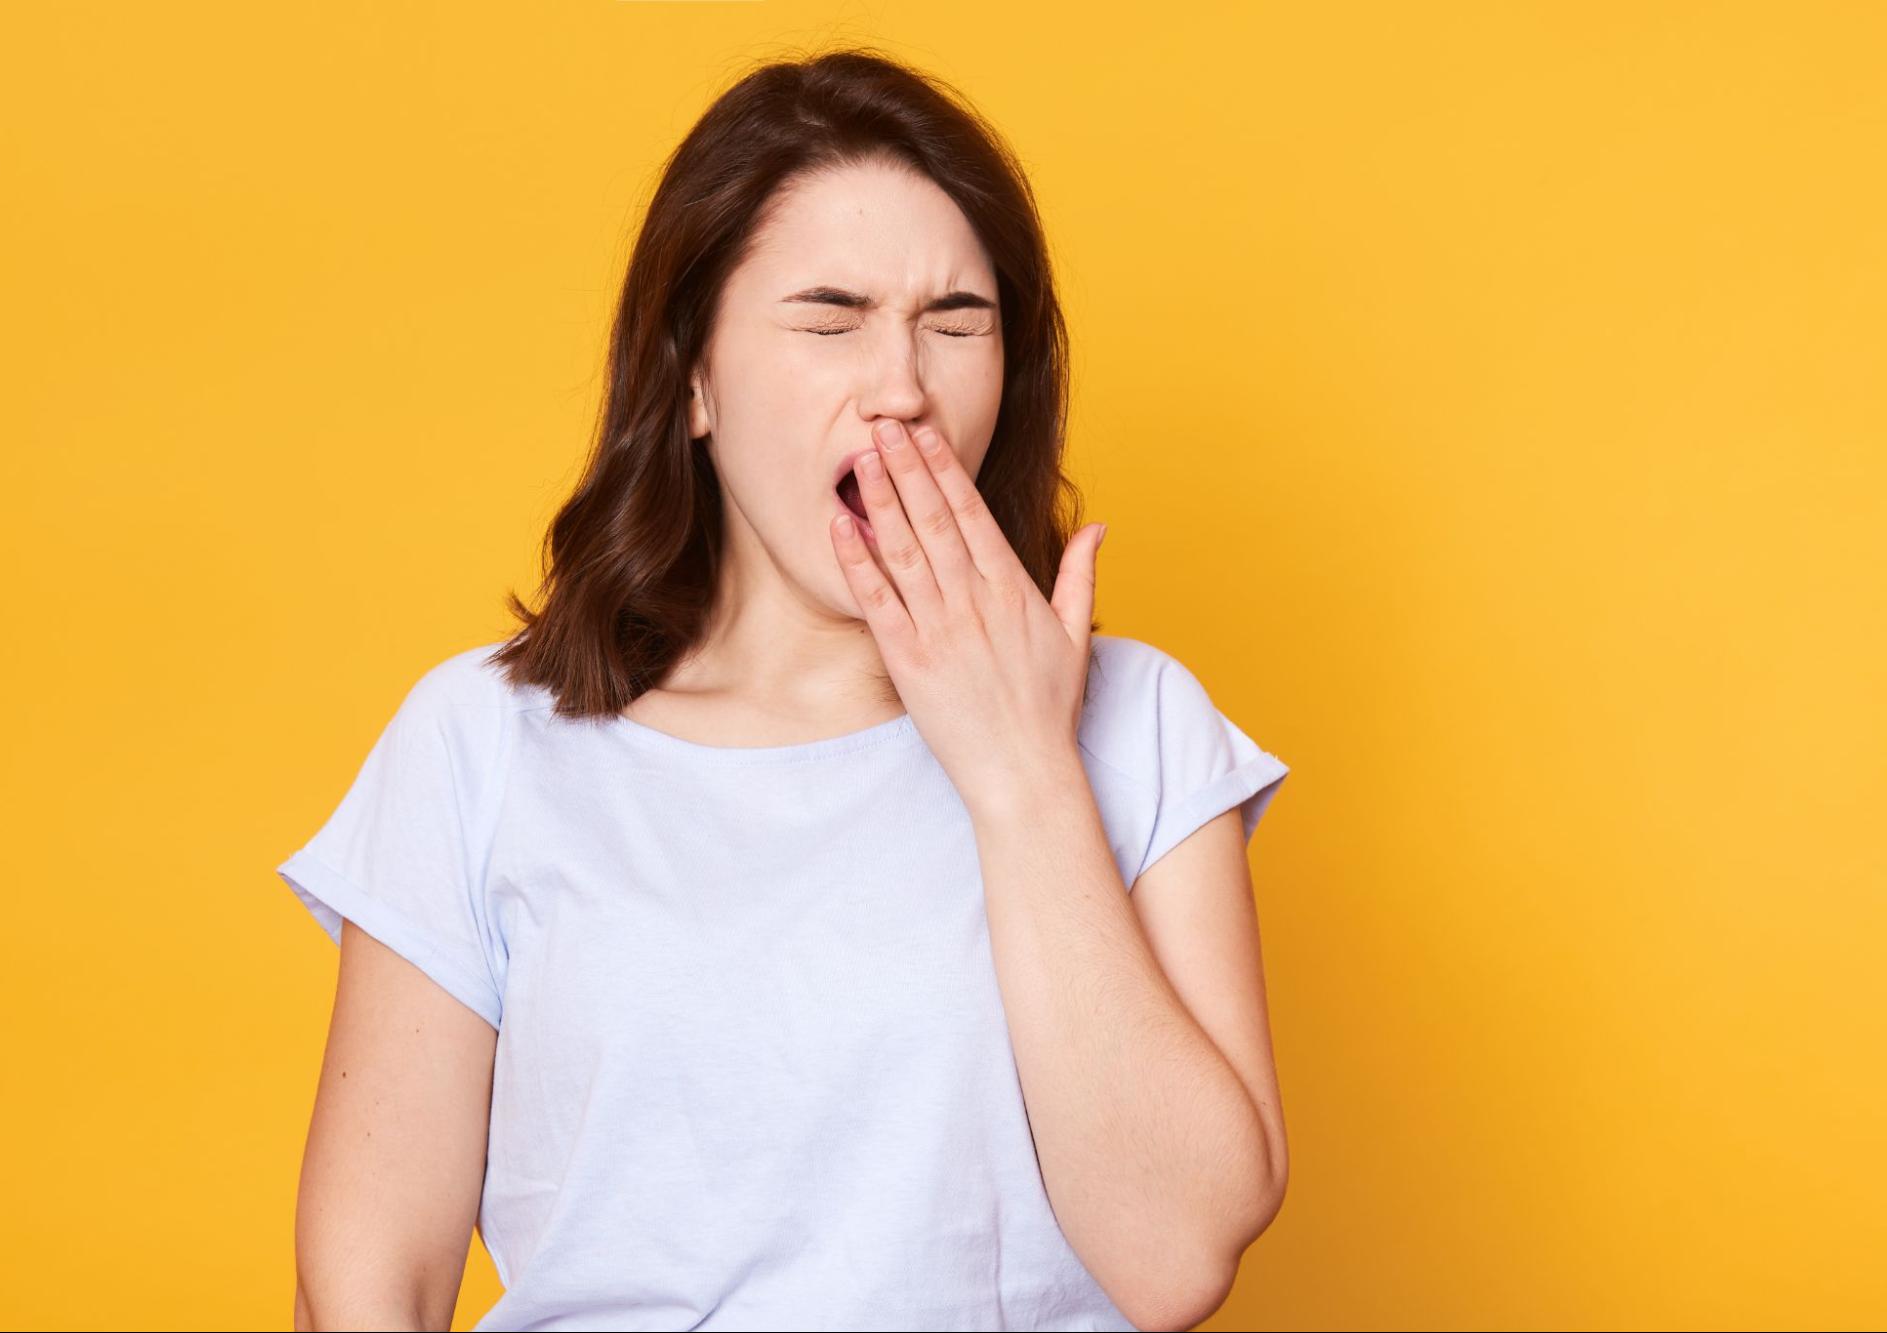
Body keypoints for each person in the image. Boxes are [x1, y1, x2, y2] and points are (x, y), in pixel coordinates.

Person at [276, 47, 1291, 1333]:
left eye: (957, 321)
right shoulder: (480, 744)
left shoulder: (1138, 725)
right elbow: (368, 1282)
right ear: (691, 379)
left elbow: (1176, 1255)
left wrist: (1021, 766)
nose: (904, 389)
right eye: (828, 317)